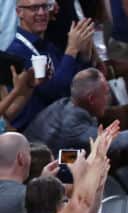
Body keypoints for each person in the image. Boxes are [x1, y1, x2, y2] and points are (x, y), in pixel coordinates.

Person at [5, 0, 94, 130]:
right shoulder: (16, 52)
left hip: (60, 121)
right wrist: (72, 49)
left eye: (45, 7)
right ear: (19, 12)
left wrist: (85, 56)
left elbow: (76, 85)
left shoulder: (48, 46)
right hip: (34, 132)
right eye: (34, 8)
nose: (41, 13)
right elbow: (55, 91)